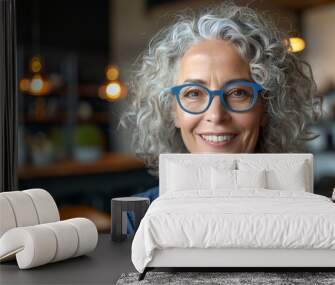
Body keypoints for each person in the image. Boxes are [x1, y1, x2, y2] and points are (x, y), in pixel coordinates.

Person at [120, 2, 321, 233]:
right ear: (172, 111)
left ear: (266, 108)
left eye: (238, 93)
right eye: (193, 93)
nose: (216, 115)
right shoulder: (136, 221)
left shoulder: (307, 219)